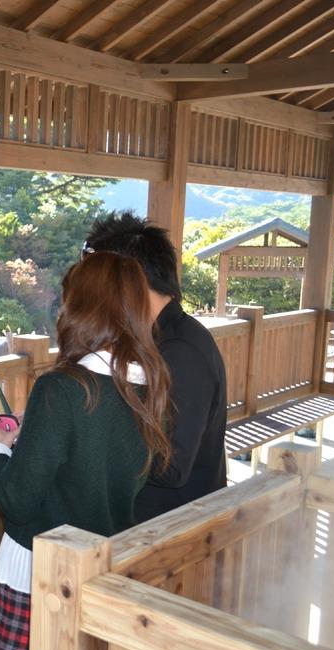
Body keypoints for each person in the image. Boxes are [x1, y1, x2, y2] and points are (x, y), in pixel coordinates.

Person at [0, 252, 171, 650]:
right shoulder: (152, 388)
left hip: (43, 574)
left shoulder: (63, 388)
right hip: (105, 566)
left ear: (83, 309)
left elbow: (15, 499)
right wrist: (39, 432)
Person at [83, 211, 227, 522]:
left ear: (129, 279)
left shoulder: (183, 352)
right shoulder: (150, 336)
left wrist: (85, 436)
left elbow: (172, 466)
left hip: (169, 528)